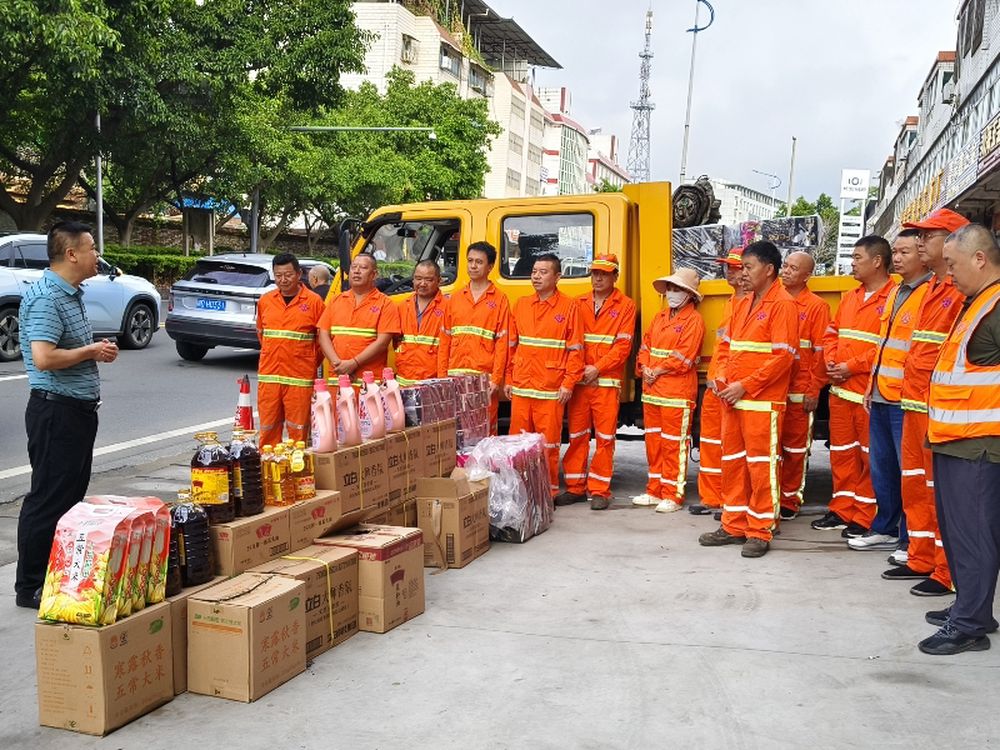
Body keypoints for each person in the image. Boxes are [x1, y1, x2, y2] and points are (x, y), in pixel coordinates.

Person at [15, 221, 119, 609]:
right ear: (72, 254)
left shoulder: (71, 293)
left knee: (69, 499)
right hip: (55, 411)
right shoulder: (46, 297)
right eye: (92, 248)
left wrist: (94, 351)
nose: (98, 256)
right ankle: (29, 586)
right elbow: (43, 358)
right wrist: (91, 352)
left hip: (76, 411)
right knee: (48, 498)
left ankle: (55, 575)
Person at [919, 223, 1000, 655]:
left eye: (952, 264)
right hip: (957, 439)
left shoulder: (995, 305)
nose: (948, 273)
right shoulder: (977, 302)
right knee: (959, 533)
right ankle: (973, 608)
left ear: (980, 259)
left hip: (980, 445)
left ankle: (969, 625)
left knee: (974, 536)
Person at [698, 241, 798, 558]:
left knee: (760, 467)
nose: (743, 273)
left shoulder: (783, 304)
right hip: (735, 400)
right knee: (734, 463)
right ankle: (733, 524)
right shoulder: (744, 303)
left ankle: (759, 531)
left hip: (761, 403)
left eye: (749, 267)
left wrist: (745, 385)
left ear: (769, 269)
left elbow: (784, 357)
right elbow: (728, 348)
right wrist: (724, 379)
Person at [891, 209, 969, 594]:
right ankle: (921, 557)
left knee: (940, 491)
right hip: (913, 405)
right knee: (915, 485)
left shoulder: (959, 290)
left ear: (952, 240)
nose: (920, 242)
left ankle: (946, 570)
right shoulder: (933, 289)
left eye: (929, 236)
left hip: (937, 410)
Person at [848, 233, 931, 554]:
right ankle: (885, 527)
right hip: (882, 394)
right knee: (883, 468)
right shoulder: (898, 291)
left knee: (909, 473)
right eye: (895, 251)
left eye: (905, 252)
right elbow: (883, 347)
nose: (897, 257)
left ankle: (911, 539)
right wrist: (871, 386)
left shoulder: (928, 294)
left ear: (922, 255)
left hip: (904, 399)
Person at [811, 237, 895, 537]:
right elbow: (831, 333)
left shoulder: (894, 297)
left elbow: (890, 347)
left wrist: (851, 366)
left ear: (877, 261)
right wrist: (833, 362)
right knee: (843, 454)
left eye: (858, 257)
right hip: (841, 393)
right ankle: (841, 508)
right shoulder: (850, 297)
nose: (852, 262)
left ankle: (865, 515)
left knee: (870, 457)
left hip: (868, 395)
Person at [505, 253, 584, 499]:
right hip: (522, 386)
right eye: (534, 271)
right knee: (517, 445)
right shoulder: (521, 304)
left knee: (548, 444)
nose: (536, 276)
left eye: (543, 272)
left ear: (557, 277)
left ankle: (547, 493)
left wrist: (569, 383)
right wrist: (508, 378)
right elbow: (511, 346)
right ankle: (518, 491)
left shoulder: (570, 307)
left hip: (550, 388)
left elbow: (576, 350)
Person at [561, 255, 637, 510]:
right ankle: (575, 487)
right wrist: (579, 371)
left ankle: (600, 490)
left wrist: (597, 368)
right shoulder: (577, 302)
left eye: (604, 274)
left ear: (615, 276)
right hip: (581, 381)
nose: (598, 278)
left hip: (605, 383)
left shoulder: (626, 305)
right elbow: (571, 341)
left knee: (605, 438)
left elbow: (623, 346)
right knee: (578, 435)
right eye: (595, 273)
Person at [633, 268, 705, 513]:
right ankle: (654, 490)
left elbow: (684, 357)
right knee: (654, 442)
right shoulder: (660, 317)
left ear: (689, 294)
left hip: (676, 393)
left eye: (678, 289)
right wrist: (645, 368)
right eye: (670, 288)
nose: (672, 293)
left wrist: (656, 370)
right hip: (652, 391)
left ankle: (673, 494)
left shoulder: (694, 320)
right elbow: (645, 346)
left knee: (674, 444)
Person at [690, 247, 748, 516]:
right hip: (716, 382)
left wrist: (726, 380)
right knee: (710, 441)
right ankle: (711, 497)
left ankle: (730, 500)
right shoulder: (731, 301)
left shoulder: (752, 304)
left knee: (731, 446)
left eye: (735, 267)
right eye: (728, 266)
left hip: (731, 386)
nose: (730, 271)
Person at [777, 251, 831, 520]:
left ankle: (789, 500)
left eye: (793, 268)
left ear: (807, 275)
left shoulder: (816, 307)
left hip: (800, 391)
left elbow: (822, 352)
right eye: (785, 266)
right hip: (773, 389)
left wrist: (814, 389)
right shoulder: (774, 301)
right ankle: (772, 496)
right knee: (771, 448)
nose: (785, 271)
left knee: (795, 449)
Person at [439, 241, 510, 433]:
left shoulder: (500, 299)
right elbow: (445, 340)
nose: (473, 266)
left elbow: (502, 343)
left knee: (485, 428)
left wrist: (496, 380)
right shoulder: (455, 298)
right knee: (458, 430)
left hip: (483, 379)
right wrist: (442, 376)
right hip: (456, 377)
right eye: (470, 261)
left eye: (479, 262)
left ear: (490, 267)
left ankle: (484, 465)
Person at [256, 253, 325, 449]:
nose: (283, 280)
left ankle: (297, 476)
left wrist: (309, 361)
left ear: (299, 274)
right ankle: (269, 472)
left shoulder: (314, 302)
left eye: (287, 275)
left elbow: (322, 341)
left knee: (299, 434)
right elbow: (262, 334)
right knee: (268, 430)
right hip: (270, 378)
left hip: (299, 379)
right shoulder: (266, 301)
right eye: (278, 276)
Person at [318, 253, 401, 385]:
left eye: (362, 268)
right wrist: (338, 364)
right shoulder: (336, 301)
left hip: (369, 384)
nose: (356, 271)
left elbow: (382, 343)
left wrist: (353, 363)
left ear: (374, 274)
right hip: (338, 379)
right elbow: (323, 334)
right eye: (353, 267)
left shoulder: (385, 304)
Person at [394, 260, 447, 384]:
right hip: (404, 381)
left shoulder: (448, 308)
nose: (422, 284)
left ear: (439, 281)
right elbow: (396, 341)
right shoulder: (402, 306)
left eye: (428, 280)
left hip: (433, 384)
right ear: (413, 280)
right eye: (418, 278)